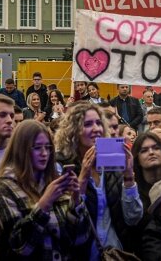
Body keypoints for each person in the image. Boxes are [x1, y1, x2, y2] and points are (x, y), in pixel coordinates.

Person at [55, 102, 143, 257]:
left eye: (98, 123)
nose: (96, 129)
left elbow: (133, 218)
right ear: (73, 130)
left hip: (116, 253)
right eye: (88, 124)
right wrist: (82, 179)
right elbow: (67, 225)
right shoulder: (61, 165)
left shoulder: (112, 162)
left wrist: (129, 176)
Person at [0, 120, 89, 260]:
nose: (45, 153)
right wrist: (44, 204)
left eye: (48, 147)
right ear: (22, 149)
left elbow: (80, 239)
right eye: (37, 148)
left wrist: (76, 200)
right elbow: (20, 246)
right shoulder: (7, 186)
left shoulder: (54, 182)